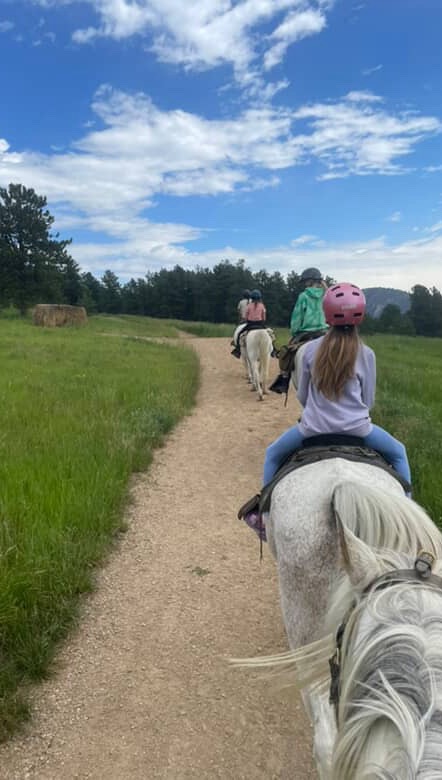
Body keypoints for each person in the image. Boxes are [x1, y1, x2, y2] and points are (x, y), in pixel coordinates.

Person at [243, 282, 411, 535]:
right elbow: (368, 401)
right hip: (360, 431)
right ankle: (407, 513)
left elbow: (302, 396)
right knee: (399, 453)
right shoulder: (367, 354)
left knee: (272, 454)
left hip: (312, 431)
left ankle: (265, 519)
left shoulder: (309, 350)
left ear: (327, 314)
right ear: (360, 317)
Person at [270, 267, 328, 394]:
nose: (304, 284)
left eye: (305, 281)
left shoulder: (304, 296)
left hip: (306, 332)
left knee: (287, 353)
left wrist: (294, 331)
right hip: (325, 331)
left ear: (309, 281)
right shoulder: (326, 294)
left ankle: (283, 378)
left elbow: (297, 317)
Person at [231, 289, 267, 358]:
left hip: (250, 324)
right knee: (270, 335)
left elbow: (245, 317)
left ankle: (237, 350)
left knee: (239, 334)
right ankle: (273, 349)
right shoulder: (262, 305)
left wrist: (243, 320)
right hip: (260, 324)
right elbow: (264, 318)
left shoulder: (248, 305)